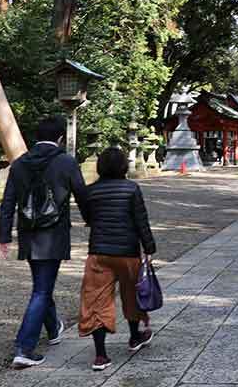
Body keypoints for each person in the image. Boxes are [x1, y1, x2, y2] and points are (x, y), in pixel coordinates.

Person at [0, 115, 88, 369]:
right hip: (54, 233)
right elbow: (82, 195)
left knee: (42, 285)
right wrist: (94, 222)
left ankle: (54, 328)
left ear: (36, 137)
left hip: (28, 233)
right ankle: (24, 348)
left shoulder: (19, 164)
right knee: (41, 290)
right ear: (60, 138)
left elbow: (8, 203)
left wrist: (4, 236)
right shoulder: (66, 162)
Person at [78, 147, 156, 371]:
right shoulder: (131, 189)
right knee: (131, 295)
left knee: (96, 300)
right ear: (123, 166)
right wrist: (149, 247)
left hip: (99, 251)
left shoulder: (90, 191)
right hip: (128, 251)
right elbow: (141, 220)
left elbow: (88, 218)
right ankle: (134, 336)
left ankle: (100, 355)